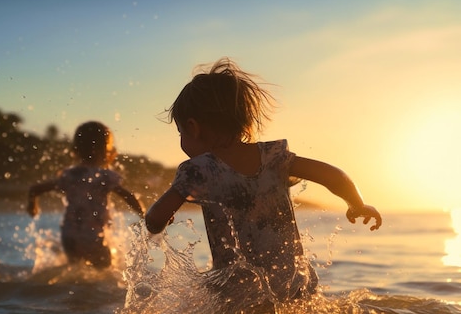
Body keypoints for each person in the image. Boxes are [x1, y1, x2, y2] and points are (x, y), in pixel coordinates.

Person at [144, 57, 382, 303]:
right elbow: (333, 175)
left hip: (238, 294)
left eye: (180, 132)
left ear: (193, 128)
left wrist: (162, 218)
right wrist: (356, 203)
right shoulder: (274, 159)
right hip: (294, 285)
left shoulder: (198, 170)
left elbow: (153, 219)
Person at [27, 121, 145, 269]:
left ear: (75, 150)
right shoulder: (104, 176)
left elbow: (35, 189)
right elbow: (128, 196)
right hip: (94, 237)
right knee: (105, 271)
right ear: (104, 151)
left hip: (69, 236)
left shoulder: (69, 175)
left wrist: (32, 206)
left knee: (75, 272)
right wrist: (144, 215)